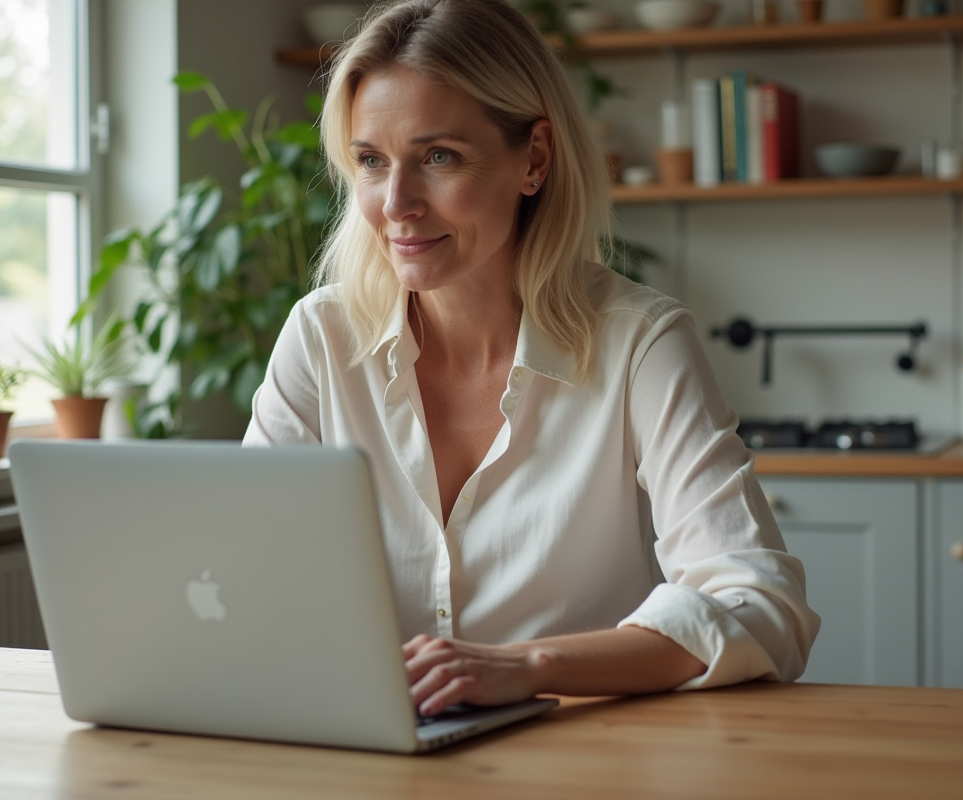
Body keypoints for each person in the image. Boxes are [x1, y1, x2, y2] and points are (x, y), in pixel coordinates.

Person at [244, 0, 820, 718]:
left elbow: (759, 604)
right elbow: (247, 579)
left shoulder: (639, 342)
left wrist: (525, 667)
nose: (397, 203)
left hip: (586, 765)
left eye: (438, 157)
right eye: (370, 161)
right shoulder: (321, 337)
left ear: (534, 160)